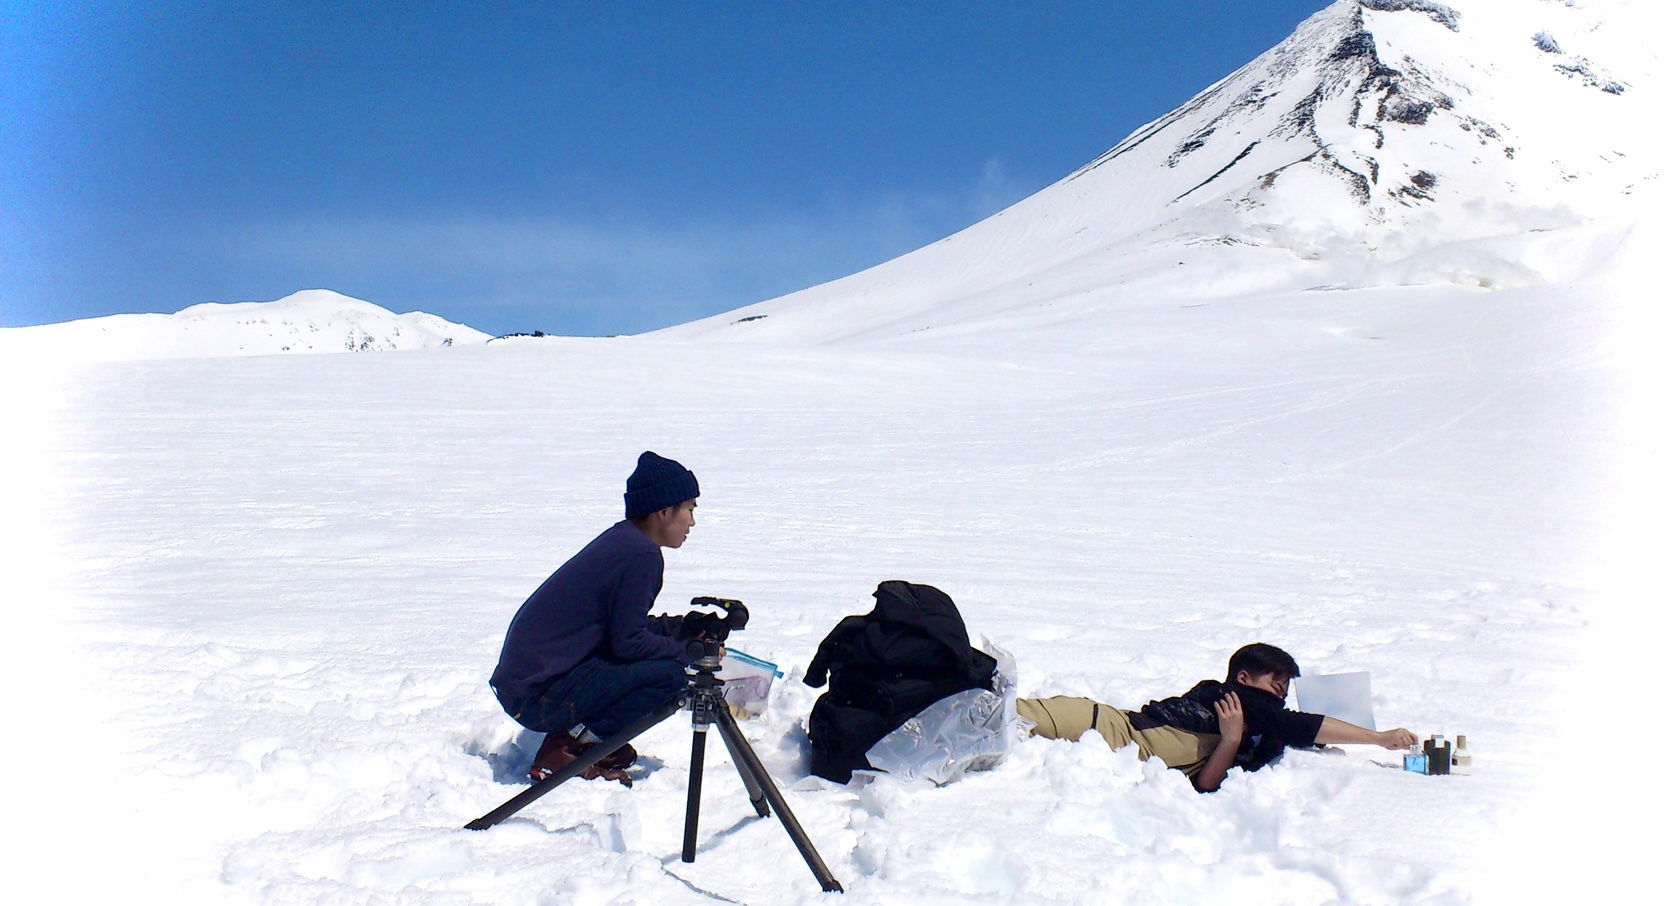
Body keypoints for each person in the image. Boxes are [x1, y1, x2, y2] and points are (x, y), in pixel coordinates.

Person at [489, 451, 702, 785]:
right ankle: (568, 749)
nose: (692, 521)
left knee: (662, 665)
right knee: (671, 677)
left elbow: (620, 628)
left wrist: (680, 630)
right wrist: (689, 655)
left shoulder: (624, 541)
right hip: (536, 698)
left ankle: (585, 740)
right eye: (689, 508)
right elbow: (628, 643)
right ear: (664, 511)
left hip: (525, 685)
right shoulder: (642, 556)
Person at [1017, 643, 1417, 792]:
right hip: (1103, 724)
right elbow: (1301, 725)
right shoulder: (1228, 695)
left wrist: (1230, 742)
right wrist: (1379, 738)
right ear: (1244, 678)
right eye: (1275, 685)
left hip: (1115, 742)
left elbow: (1206, 784)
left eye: (1284, 691)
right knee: (1006, 715)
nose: (1279, 697)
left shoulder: (1252, 730)